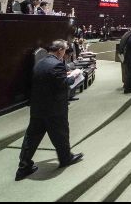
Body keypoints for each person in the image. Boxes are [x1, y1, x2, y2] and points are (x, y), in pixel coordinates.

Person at [16, 40, 83, 181]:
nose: (65, 53)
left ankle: (23, 167)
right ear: (59, 50)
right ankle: (66, 158)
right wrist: (74, 75)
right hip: (54, 109)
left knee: (32, 137)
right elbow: (63, 84)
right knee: (61, 134)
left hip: (38, 108)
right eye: (64, 50)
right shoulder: (57, 64)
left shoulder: (40, 62)